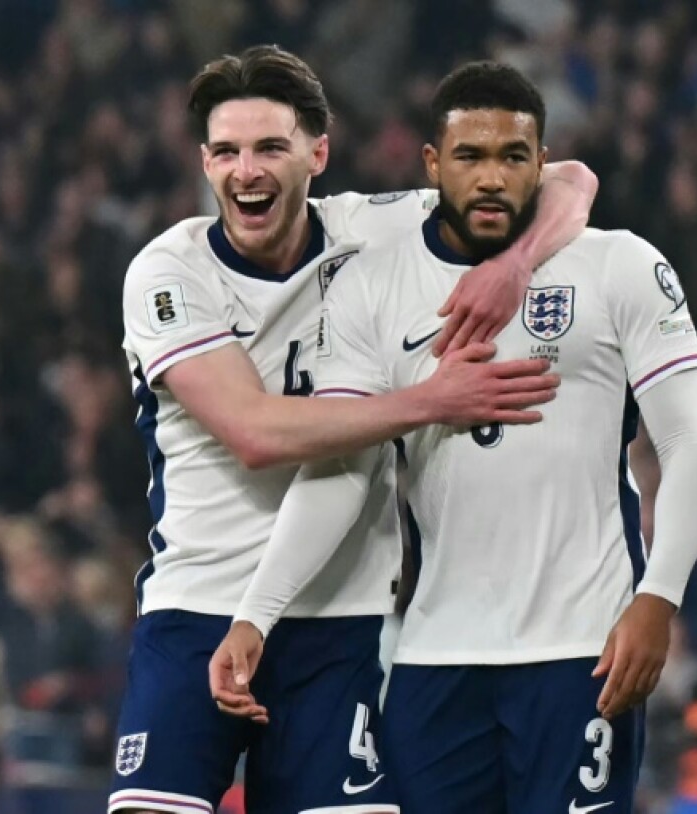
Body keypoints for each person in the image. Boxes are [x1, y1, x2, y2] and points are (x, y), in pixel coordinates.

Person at [210, 61, 697, 814]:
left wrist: (658, 599)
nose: (491, 178)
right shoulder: (372, 285)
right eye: (470, 157)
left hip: (583, 647)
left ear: (541, 164)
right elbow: (344, 469)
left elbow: (689, 447)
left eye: (513, 158)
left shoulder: (621, 266)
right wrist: (257, 610)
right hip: (435, 653)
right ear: (431, 165)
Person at [110, 45, 598, 814]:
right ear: (204, 163)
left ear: (318, 152)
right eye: (227, 152)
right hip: (197, 606)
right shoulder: (169, 274)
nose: (248, 172)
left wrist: (517, 262)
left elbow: (571, 181)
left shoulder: (374, 231)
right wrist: (433, 401)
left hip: (342, 622)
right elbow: (255, 432)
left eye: (271, 147)